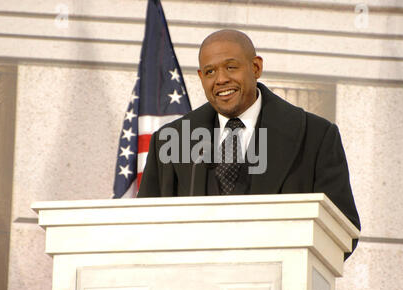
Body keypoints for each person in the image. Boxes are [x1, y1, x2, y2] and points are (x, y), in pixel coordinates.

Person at [137, 29, 361, 257]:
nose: (221, 79)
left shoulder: (316, 136)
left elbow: (342, 232)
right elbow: (143, 229)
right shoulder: (171, 140)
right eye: (210, 71)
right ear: (201, 77)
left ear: (256, 68)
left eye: (231, 67)